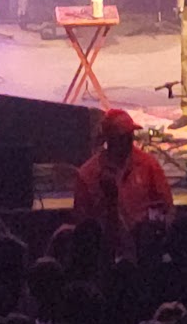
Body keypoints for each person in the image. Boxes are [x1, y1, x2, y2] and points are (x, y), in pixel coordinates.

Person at [71, 108, 174, 258]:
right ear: (109, 139)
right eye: (122, 137)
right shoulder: (89, 174)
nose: (129, 141)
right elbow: (82, 221)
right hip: (104, 250)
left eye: (130, 135)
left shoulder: (147, 164)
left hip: (145, 248)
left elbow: (167, 205)